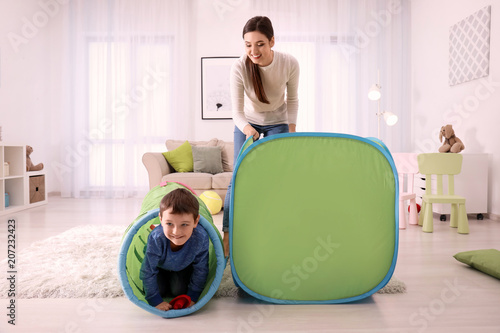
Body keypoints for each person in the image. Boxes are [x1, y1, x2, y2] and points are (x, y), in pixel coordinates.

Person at [222, 16, 300, 256]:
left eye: (260, 44)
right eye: (248, 45)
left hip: (278, 122)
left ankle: (275, 230)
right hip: (247, 123)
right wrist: (247, 130)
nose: (253, 50)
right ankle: (227, 235)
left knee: (277, 178)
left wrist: (291, 129)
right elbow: (235, 111)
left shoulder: (289, 63)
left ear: (272, 41)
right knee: (238, 176)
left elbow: (293, 100)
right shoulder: (239, 67)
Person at [140, 188, 209, 311]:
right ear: (161, 219)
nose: (176, 232)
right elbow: (148, 270)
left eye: (184, 224)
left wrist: (193, 297)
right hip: (159, 269)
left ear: (195, 221)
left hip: (183, 268)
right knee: (157, 290)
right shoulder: (157, 238)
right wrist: (155, 301)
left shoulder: (200, 237)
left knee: (178, 291)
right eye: (169, 224)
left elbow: (201, 269)